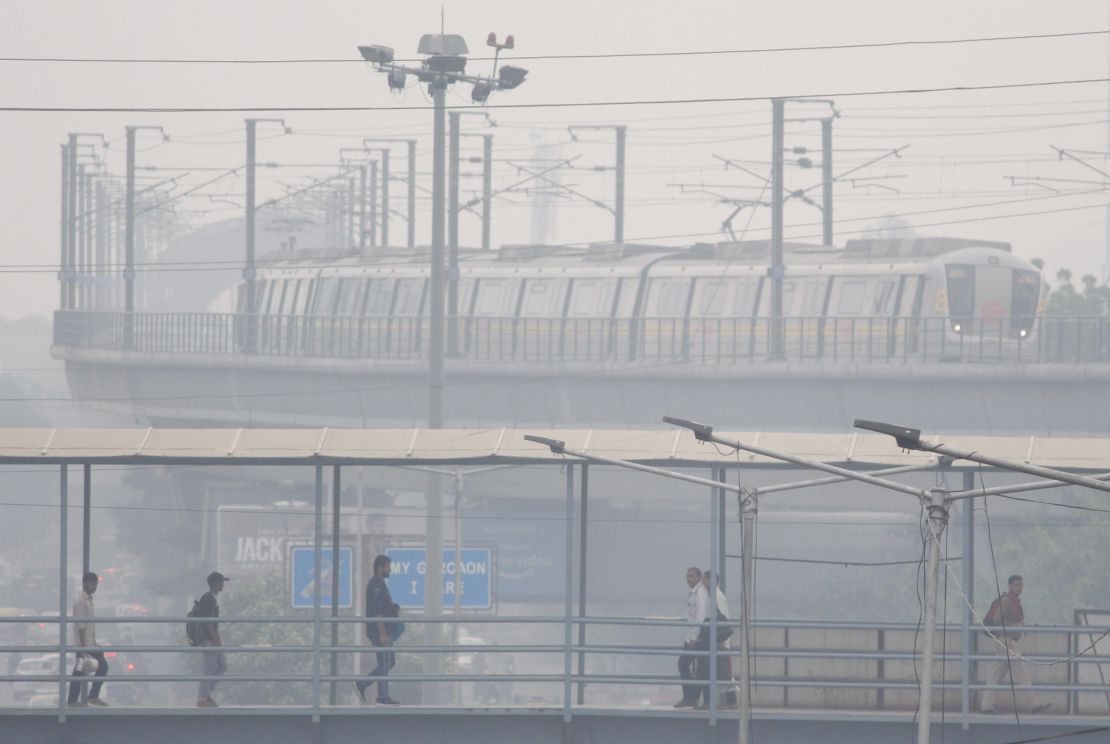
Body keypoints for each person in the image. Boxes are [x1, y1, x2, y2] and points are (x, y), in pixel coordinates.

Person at [979, 574, 1051, 714]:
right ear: (1010, 586)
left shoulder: (1013, 601)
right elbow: (997, 620)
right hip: (1006, 640)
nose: (1019, 588)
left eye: (1021, 585)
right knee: (1021, 670)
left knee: (995, 674)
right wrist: (1016, 626)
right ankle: (1034, 704)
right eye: (1017, 585)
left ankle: (986, 705)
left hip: (1004, 641)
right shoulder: (1007, 601)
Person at [354, 555, 400, 706]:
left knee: (389, 662)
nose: (389, 570)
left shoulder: (381, 584)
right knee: (384, 661)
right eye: (387, 567)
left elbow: (384, 607)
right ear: (380, 568)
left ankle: (363, 684)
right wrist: (382, 633)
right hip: (380, 630)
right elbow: (377, 611)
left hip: (385, 629)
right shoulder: (375, 586)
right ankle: (382, 697)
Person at [697, 570, 739, 710]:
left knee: (723, 671)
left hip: (719, 638)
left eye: (705, 579)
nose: (703, 582)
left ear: (710, 580)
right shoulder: (714, 595)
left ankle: (731, 699)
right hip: (717, 637)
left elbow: (723, 617)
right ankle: (725, 699)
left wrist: (720, 640)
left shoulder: (716, 596)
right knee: (720, 670)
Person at [67, 571, 108, 707]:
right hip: (83, 645)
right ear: (85, 584)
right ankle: (88, 697)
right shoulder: (80, 602)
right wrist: (84, 648)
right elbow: (81, 626)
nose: (94, 587)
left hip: (89, 644)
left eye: (96, 584)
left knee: (79, 670)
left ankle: (76, 700)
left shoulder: (89, 600)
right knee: (100, 666)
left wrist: (94, 643)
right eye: (92, 584)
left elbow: (90, 625)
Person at [675, 566, 710, 708]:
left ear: (699, 577)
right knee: (697, 667)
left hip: (699, 637)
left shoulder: (700, 592)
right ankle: (690, 697)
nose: (688, 579)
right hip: (692, 636)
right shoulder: (693, 592)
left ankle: (691, 697)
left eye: (691, 576)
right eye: (687, 576)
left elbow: (701, 616)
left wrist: (694, 637)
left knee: (684, 664)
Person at [195, 571, 230, 708]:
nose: (223, 585)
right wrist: (215, 638)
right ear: (215, 583)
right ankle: (202, 698)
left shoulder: (212, 597)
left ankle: (206, 693)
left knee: (222, 665)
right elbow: (208, 622)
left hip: (213, 638)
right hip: (209, 639)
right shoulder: (209, 598)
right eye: (221, 582)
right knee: (208, 668)